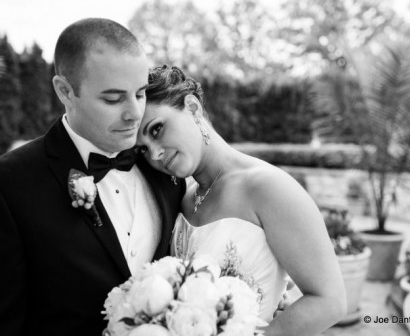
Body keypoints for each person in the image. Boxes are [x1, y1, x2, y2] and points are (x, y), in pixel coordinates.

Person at [0, 19, 185, 336]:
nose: (134, 113)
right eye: (113, 99)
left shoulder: (166, 167)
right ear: (65, 91)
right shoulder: (10, 183)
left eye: (140, 94)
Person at [137, 65, 347, 335]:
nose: (154, 154)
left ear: (192, 108)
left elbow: (330, 301)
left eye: (156, 130)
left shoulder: (269, 188)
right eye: (143, 148)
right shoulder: (184, 196)